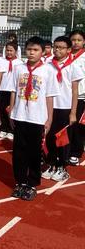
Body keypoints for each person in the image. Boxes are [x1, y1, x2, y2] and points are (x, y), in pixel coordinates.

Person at [9, 36, 59, 201]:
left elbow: (50, 97)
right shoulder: (18, 68)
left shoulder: (48, 71)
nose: (31, 53)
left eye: (35, 50)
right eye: (29, 49)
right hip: (20, 116)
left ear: (42, 51)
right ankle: (20, 181)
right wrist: (12, 111)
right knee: (18, 152)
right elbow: (14, 91)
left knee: (34, 152)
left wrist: (49, 119)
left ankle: (32, 183)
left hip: (37, 118)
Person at [42, 36, 84, 182]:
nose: (57, 50)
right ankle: (51, 163)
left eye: (61, 47)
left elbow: (74, 91)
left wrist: (73, 113)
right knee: (49, 137)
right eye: (55, 47)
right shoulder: (47, 65)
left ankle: (62, 167)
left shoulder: (73, 66)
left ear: (68, 49)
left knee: (63, 139)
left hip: (65, 108)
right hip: (50, 107)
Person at [0, 42, 21, 140]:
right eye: (7, 50)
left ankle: (12, 130)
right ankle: (4, 128)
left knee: (11, 110)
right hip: (3, 89)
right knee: (2, 110)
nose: (9, 52)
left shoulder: (19, 63)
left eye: (11, 50)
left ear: (15, 51)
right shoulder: (2, 61)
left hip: (13, 91)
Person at [69, 29, 85, 165]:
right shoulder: (65, 55)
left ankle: (76, 151)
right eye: (74, 40)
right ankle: (66, 148)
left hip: (81, 96)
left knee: (78, 126)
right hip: (65, 96)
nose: (76, 43)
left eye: (79, 40)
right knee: (66, 124)